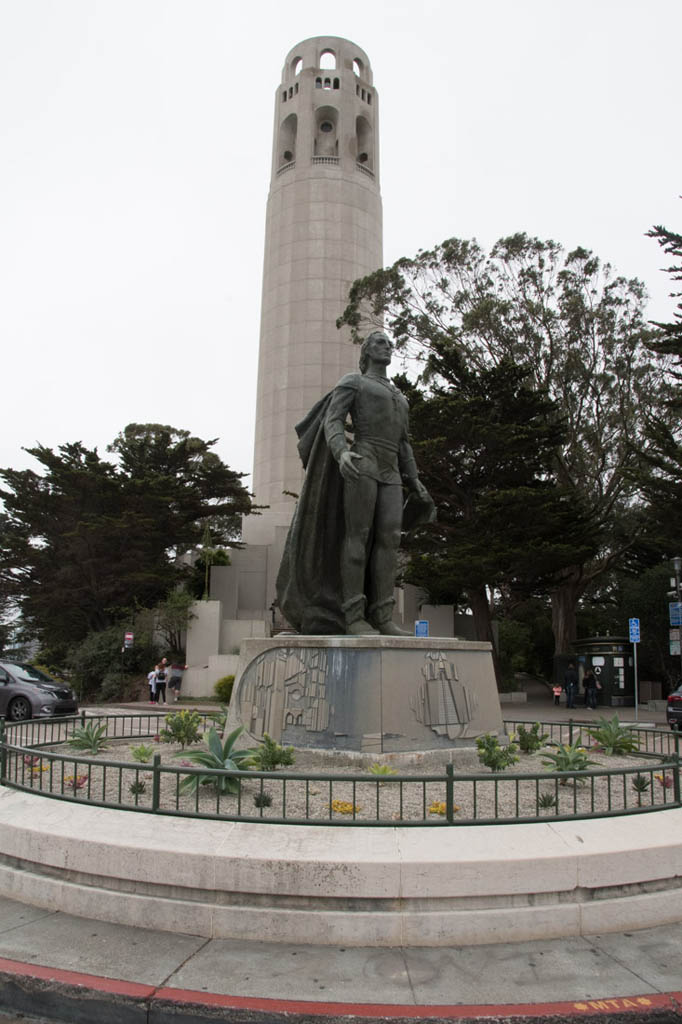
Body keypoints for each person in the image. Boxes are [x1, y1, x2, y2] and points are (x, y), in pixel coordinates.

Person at [276, 331, 435, 635]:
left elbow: (404, 443)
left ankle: (383, 616)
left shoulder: (400, 397)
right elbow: (332, 420)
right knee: (357, 538)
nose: (387, 347)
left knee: (390, 540)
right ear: (366, 351)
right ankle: (353, 616)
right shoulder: (354, 382)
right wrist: (341, 453)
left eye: (390, 343)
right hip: (363, 462)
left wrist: (414, 479)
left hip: (391, 472)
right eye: (379, 343)